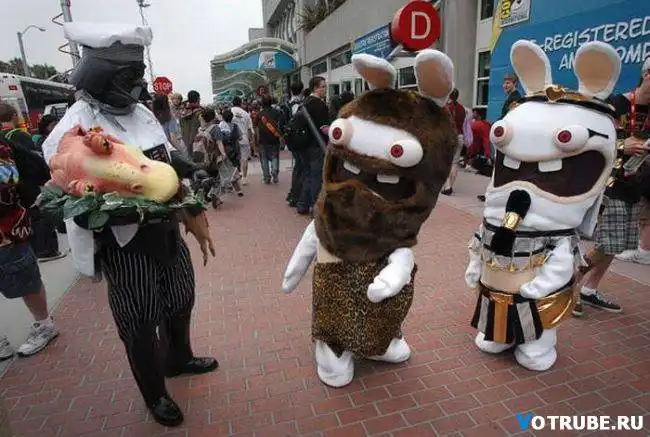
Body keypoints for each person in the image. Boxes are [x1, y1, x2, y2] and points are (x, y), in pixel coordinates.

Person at [41, 23, 217, 427]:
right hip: (124, 240)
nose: (138, 84)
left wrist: (192, 167)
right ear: (100, 76)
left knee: (181, 298)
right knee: (139, 319)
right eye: (129, 76)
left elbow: (165, 154)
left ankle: (179, 358)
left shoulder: (140, 112)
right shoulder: (75, 125)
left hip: (167, 226)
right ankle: (155, 394)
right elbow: (67, 188)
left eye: (140, 74)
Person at [574, 59, 650, 317]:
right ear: (646, 75)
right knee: (607, 243)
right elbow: (590, 139)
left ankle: (590, 289)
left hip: (635, 185)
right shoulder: (616, 104)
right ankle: (570, 285)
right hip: (611, 184)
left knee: (617, 246)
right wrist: (621, 146)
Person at [0, 102, 60, 361]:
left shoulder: (2, 145)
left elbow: (7, 182)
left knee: (26, 279)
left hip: (7, 230)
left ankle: (44, 324)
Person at [192, 107, 243, 206]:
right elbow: (219, 143)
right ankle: (216, 194)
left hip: (206, 157)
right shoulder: (215, 128)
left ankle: (212, 195)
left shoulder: (201, 129)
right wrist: (223, 154)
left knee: (214, 176)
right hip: (216, 156)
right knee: (226, 174)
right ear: (213, 117)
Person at [296, 76, 329, 216]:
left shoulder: (304, 103)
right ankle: (315, 208)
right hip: (316, 145)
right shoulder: (319, 105)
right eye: (323, 86)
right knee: (316, 177)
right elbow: (324, 128)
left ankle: (302, 204)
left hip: (303, 145)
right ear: (315, 88)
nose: (325, 89)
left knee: (308, 175)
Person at [441, 89, 468, 196]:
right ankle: (450, 186)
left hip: (449, 136)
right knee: (454, 162)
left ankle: (447, 186)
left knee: (446, 162)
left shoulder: (446, 107)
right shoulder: (462, 108)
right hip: (459, 136)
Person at [285, 81, 305, 207]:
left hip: (292, 140)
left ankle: (294, 194)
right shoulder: (298, 105)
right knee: (300, 168)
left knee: (298, 167)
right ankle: (296, 195)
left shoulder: (287, 104)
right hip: (299, 140)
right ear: (302, 90)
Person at [231, 97, 254, 185]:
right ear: (240, 103)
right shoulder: (246, 114)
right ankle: (244, 178)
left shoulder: (229, 112)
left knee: (234, 158)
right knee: (244, 158)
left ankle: (235, 175)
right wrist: (251, 139)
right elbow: (249, 128)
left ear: (232, 103)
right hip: (244, 138)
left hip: (232, 139)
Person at [179, 90, 202, 157]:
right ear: (197, 99)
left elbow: (181, 124)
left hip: (185, 136)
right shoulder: (199, 111)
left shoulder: (182, 109)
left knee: (189, 155)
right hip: (196, 138)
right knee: (196, 156)